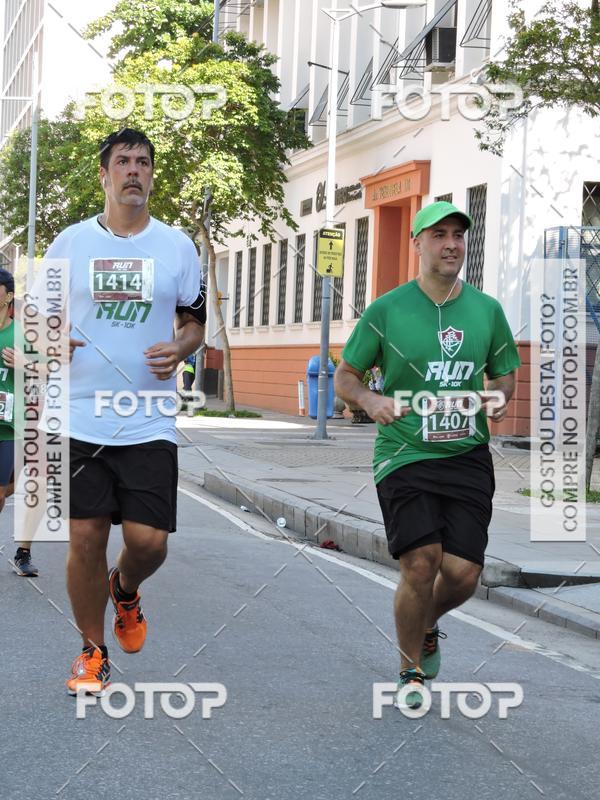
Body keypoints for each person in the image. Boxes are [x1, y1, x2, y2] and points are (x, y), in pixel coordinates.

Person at [34, 129, 205, 695]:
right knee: (84, 536)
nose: (134, 170)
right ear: (104, 175)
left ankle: (125, 588)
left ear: (152, 175)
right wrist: (52, 341)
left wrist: (180, 348)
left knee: (149, 541)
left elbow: (194, 323)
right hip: (77, 414)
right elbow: (38, 320)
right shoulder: (70, 244)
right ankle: (92, 650)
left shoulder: (177, 248)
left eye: (144, 162)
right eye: (124, 162)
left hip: (147, 417)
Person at [334, 201, 520, 708]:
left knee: (461, 574)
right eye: (438, 235)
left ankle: (428, 621)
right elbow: (346, 377)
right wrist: (371, 401)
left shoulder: (487, 310)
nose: (451, 244)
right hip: (404, 454)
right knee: (421, 563)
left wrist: (500, 397)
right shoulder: (387, 310)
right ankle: (410, 670)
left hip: (466, 455)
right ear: (417, 243)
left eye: (458, 235)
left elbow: (505, 373)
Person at [0, 269, 39, 577]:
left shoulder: (22, 335)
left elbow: (52, 371)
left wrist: (26, 365)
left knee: (5, 491)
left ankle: (22, 551)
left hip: (11, 425)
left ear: (8, 295)